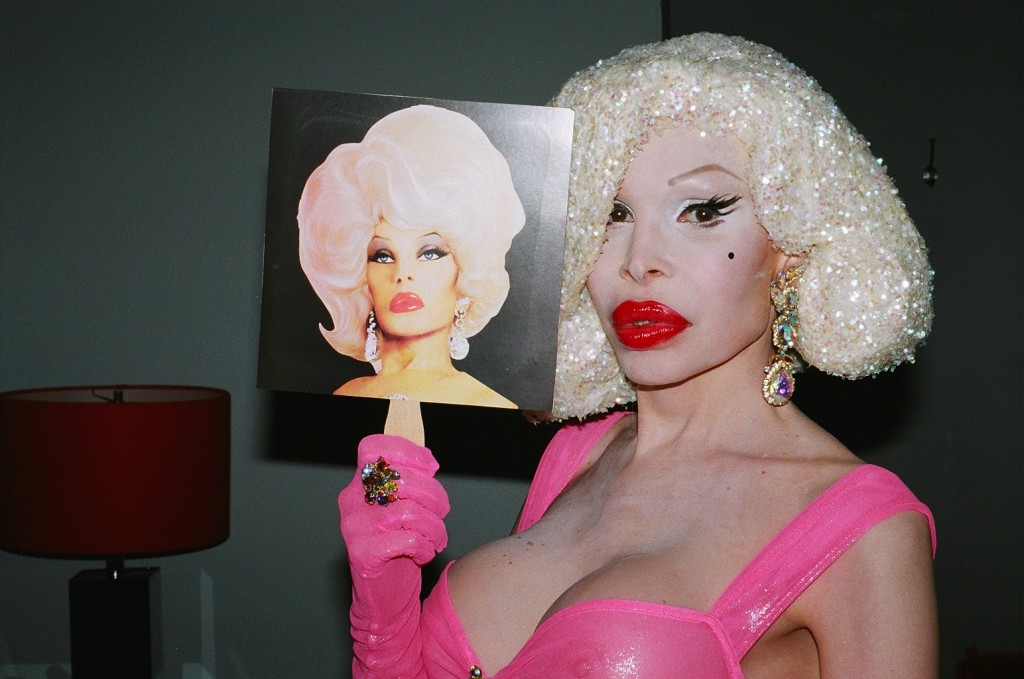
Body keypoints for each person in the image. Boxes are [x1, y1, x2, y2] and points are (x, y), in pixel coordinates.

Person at [338, 34, 937, 678]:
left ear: (791, 242)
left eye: (702, 212)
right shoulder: (575, 454)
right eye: (614, 214)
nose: (639, 261)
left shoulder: (860, 527)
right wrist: (383, 605)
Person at [297, 104, 525, 408]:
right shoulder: (344, 396)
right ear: (362, 279)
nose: (403, 274)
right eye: (382, 256)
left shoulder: (490, 406)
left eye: (429, 254)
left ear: (465, 271)